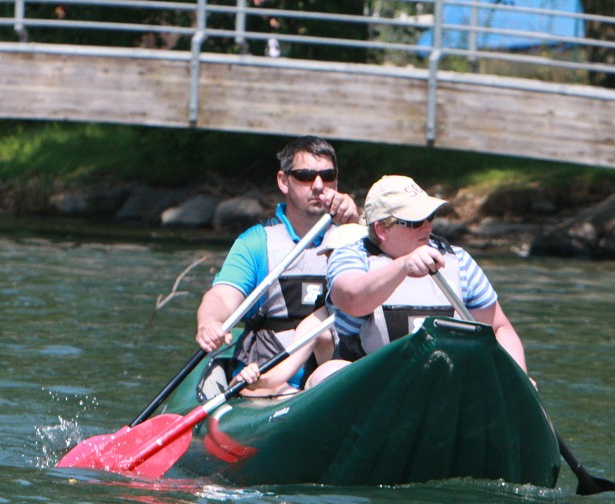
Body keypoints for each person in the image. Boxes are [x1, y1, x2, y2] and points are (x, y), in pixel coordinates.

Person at [195, 135, 360, 391]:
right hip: (265, 379)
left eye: (328, 176)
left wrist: (356, 226)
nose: (318, 185)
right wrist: (210, 322)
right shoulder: (257, 242)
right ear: (284, 181)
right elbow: (223, 297)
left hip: (332, 378)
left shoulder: (353, 238)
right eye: (305, 176)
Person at [325, 175, 529, 372]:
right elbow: (351, 300)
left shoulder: (459, 260)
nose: (428, 226)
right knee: (325, 373)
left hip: (445, 382)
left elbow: (500, 328)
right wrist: (403, 266)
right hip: (374, 384)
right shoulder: (351, 256)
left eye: (429, 217)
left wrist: (520, 380)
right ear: (381, 229)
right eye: (415, 221)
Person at [231, 224, 365, 396]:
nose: (335, 270)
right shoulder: (318, 320)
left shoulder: (395, 300)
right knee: (328, 370)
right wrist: (257, 380)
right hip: (339, 391)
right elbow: (282, 371)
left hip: (385, 384)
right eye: (330, 261)